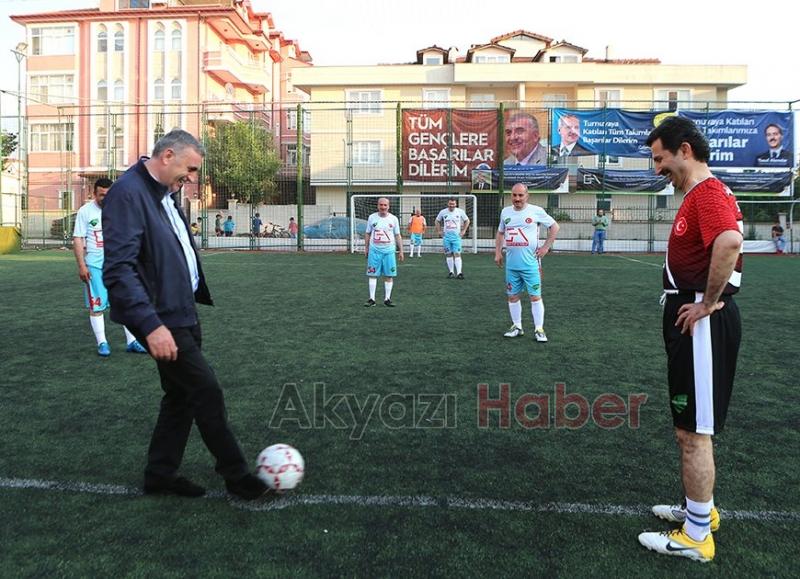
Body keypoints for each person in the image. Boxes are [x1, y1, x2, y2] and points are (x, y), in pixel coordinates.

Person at [102, 129, 269, 501]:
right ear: (167, 156)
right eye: (190, 169)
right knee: (206, 391)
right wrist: (150, 326)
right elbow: (118, 270)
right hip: (161, 318)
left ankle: (159, 475)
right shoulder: (128, 194)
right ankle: (237, 477)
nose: (192, 178)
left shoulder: (164, 192)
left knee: (179, 397)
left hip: (181, 312)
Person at [638, 116, 743, 562]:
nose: (657, 168)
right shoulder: (698, 194)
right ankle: (702, 511)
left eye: (660, 159)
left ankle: (698, 536)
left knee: (694, 431)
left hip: (700, 324)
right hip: (691, 320)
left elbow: (730, 242)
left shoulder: (708, 193)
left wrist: (706, 303)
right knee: (689, 427)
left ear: (684, 150)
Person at [72, 177, 147, 357]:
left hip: (118, 265)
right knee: (97, 306)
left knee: (126, 304)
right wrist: (82, 265)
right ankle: (102, 343)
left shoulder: (121, 210)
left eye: (108, 194)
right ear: (94, 193)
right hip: (95, 267)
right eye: (101, 195)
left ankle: (132, 341)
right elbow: (78, 239)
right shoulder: (85, 212)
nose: (105, 198)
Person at [494, 183, 559, 342]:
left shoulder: (536, 211)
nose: (517, 198)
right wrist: (497, 252)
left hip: (531, 264)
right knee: (512, 297)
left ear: (527, 195)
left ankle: (539, 329)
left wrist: (545, 247)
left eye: (520, 195)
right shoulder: (505, 212)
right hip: (512, 265)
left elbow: (555, 227)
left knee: (535, 297)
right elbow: (501, 232)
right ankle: (517, 326)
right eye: (514, 195)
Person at [364, 197, 404, 306]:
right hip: (374, 251)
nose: (383, 207)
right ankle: (372, 299)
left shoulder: (393, 219)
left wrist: (401, 251)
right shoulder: (372, 217)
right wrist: (366, 248)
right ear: (377, 206)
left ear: (388, 206)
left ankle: (387, 299)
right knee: (372, 274)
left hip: (389, 251)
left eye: (385, 205)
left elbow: (397, 235)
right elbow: (368, 233)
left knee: (389, 275)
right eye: (381, 205)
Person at [435, 198, 470, 279]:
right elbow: (437, 221)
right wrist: (439, 231)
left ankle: (459, 273)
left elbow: (467, 221)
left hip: (456, 237)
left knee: (457, 254)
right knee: (448, 254)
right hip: (446, 238)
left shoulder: (460, 211)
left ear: (456, 204)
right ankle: (451, 272)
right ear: (448, 204)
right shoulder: (443, 212)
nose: (452, 206)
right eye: (450, 204)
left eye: (453, 204)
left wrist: (464, 230)